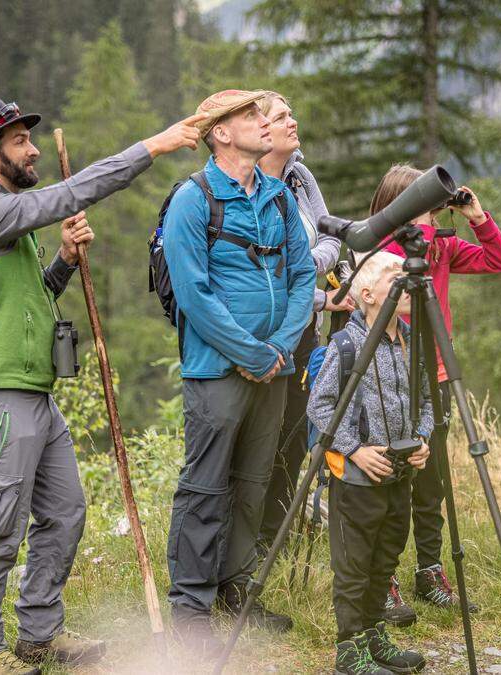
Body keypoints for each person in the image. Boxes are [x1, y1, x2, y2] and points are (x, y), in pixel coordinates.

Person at [0, 95, 204, 675]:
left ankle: (38, 634)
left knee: (65, 513)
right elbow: (71, 192)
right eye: (19, 142)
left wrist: (62, 260)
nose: (33, 148)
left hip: (34, 395)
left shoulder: (9, 218)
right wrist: (154, 145)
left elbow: (29, 301)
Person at [161, 89, 315, 653]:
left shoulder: (278, 199)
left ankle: (237, 586)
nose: (261, 121)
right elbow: (195, 295)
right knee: (205, 483)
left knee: (253, 480)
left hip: (274, 365)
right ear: (221, 133)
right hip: (216, 369)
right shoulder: (192, 199)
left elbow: (303, 279)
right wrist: (251, 353)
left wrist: (278, 346)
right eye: (250, 115)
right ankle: (190, 604)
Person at [373, 165, 501, 626]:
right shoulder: (387, 249)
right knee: (391, 476)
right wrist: (422, 228)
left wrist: (475, 215)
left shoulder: (444, 248)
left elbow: (498, 260)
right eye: (424, 200)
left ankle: (429, 571)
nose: (434, 209)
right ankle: (382, 579)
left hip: (434, 373)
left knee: (432, 479)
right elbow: (392, 263)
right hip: (392, 373)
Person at [306, 251, 431, 675]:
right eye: (393, 274)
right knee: (355, 565)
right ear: (366, 293)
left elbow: (429, 402)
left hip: (399, 475)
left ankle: (375, 634)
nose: (404, 279)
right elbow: (320, 407)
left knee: (386, 557)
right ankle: (349, 648)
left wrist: (423, 439)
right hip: (357, 480)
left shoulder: (413, 342)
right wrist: (353, 448)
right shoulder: (346, 344)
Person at [254, 91, 355, 554]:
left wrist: (304, 270)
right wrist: (318, 295)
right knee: (260, 442)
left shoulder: (299, 176)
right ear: (260, 130)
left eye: (292, 113)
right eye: (282, 117)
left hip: (303, 333)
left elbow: (330, 235)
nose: (293, 122)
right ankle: (247, 548)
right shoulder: (247, 186)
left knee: (294, 439)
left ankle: (276, 539)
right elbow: (259, 273)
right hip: (265, 330)